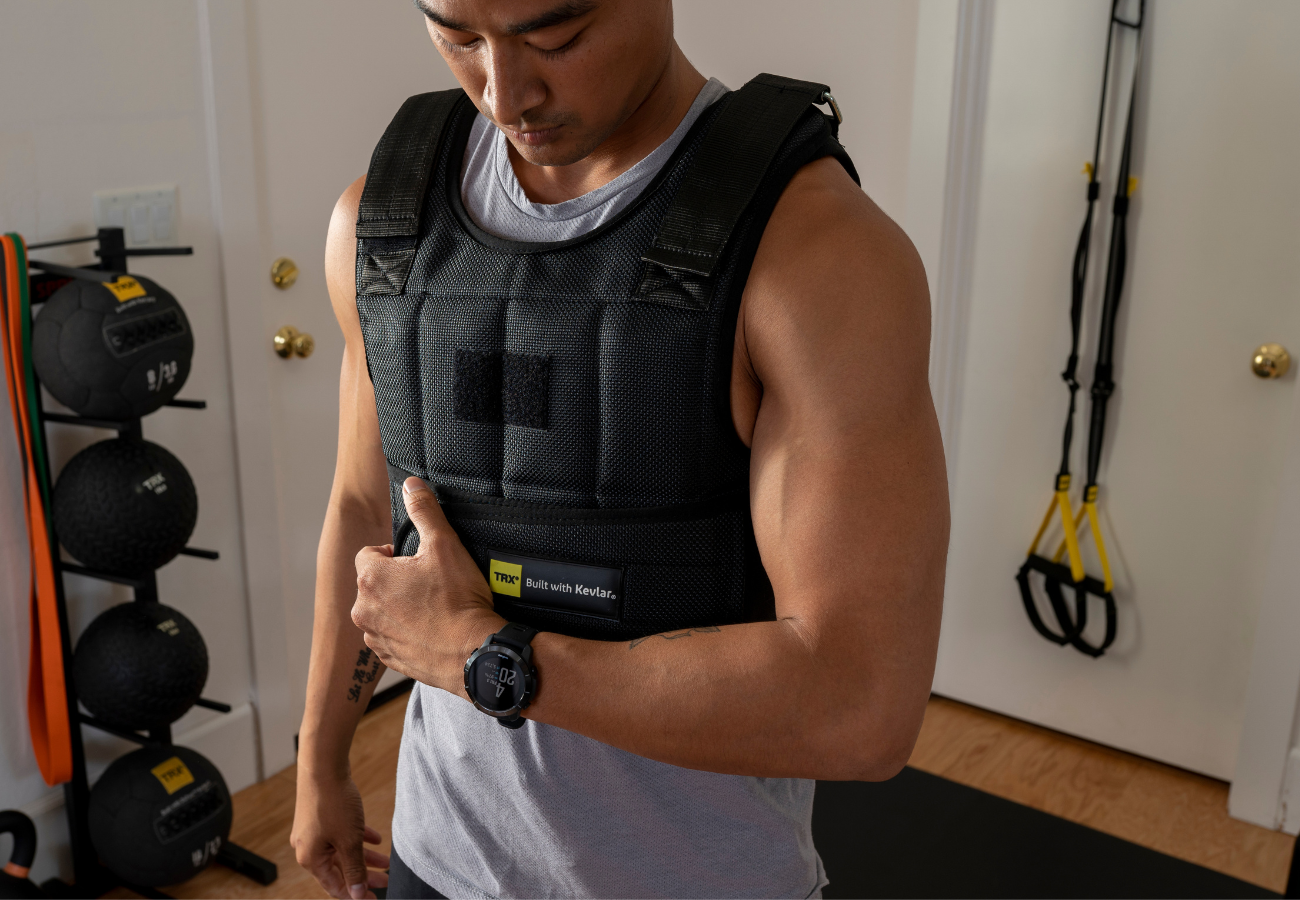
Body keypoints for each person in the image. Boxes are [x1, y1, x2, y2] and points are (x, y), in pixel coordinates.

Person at [290, 0, 948, 897]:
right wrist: (320, 761)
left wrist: (490, 660)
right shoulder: (384, 225)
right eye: (457, 36)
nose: (505, 91)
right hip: (438, 860)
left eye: (554, 36)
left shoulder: (815, 255)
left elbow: (859, 706)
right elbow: (367, 514)